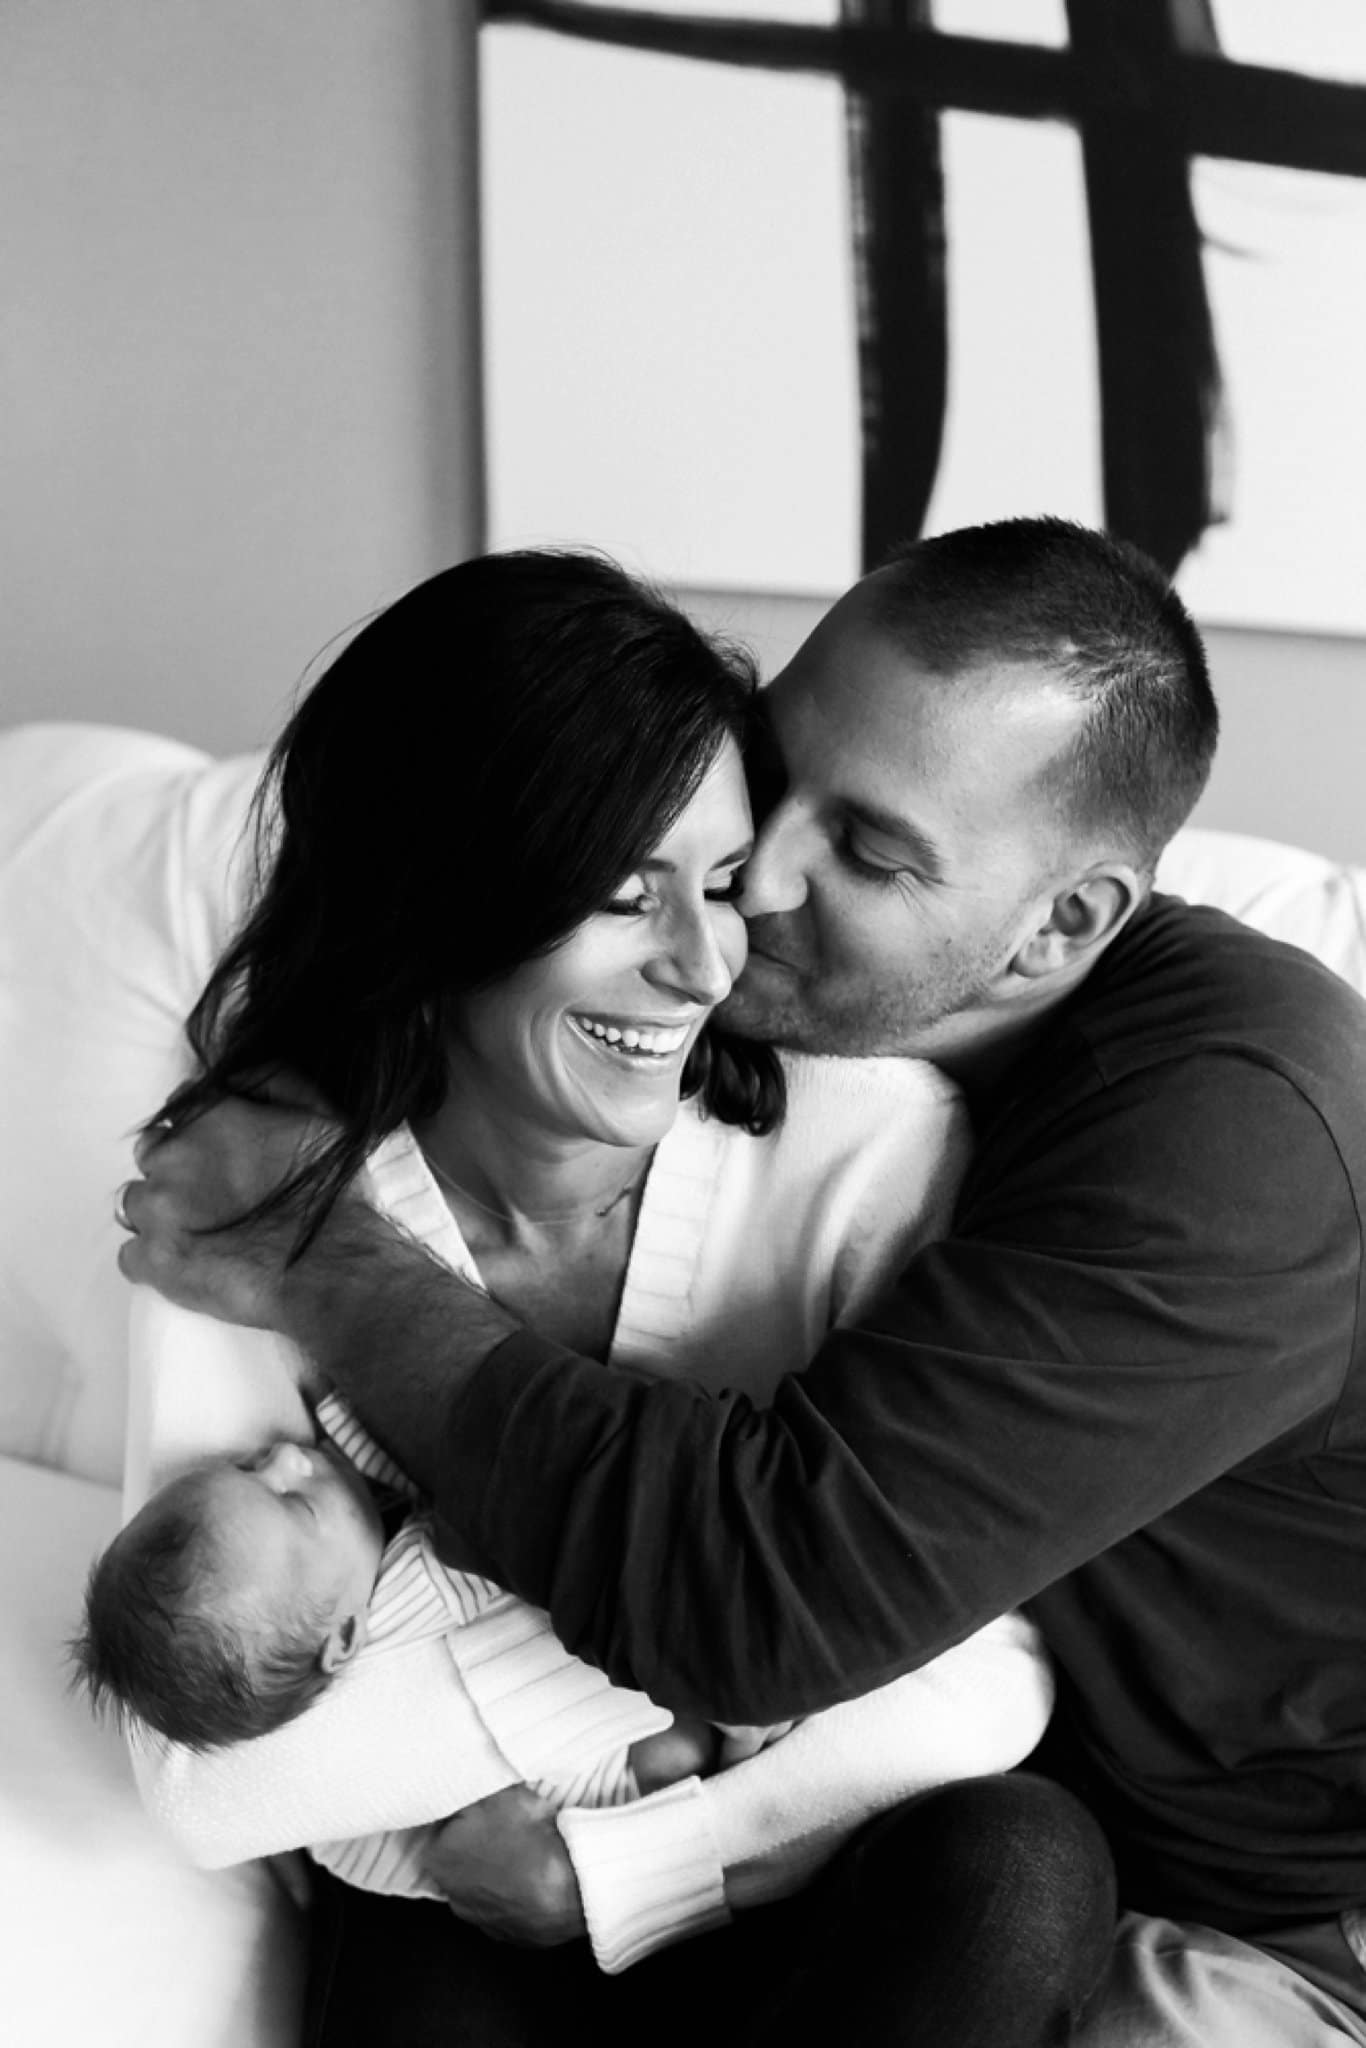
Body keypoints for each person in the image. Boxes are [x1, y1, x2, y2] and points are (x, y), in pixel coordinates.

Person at [120, 514, 1366, 2046]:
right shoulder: (772, 1042)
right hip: (892, 1813)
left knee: (1008, 1878)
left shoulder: (1238, 1138)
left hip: (1283, 1917)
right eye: (774, 782)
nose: (752, 895)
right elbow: (194, 1734)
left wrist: (323, 1270)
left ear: (1059, 927)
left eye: (865, 848)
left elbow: (766, 1599)